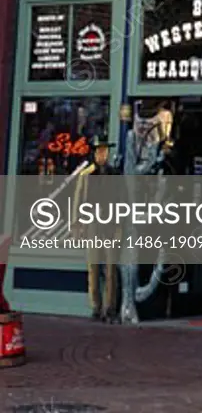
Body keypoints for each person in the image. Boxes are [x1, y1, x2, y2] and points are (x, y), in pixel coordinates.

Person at [72, 136, 119, 323]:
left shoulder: (116, 174)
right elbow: (78, 201)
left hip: (110, 223)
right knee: (93, 267)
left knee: (110, 269)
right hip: (93, 223)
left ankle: (110, 308)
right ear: (94, 153)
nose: (103, 154)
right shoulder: (86, 174)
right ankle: (95, 307)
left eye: (105, 150)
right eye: (100, 150)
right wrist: (77, 225)